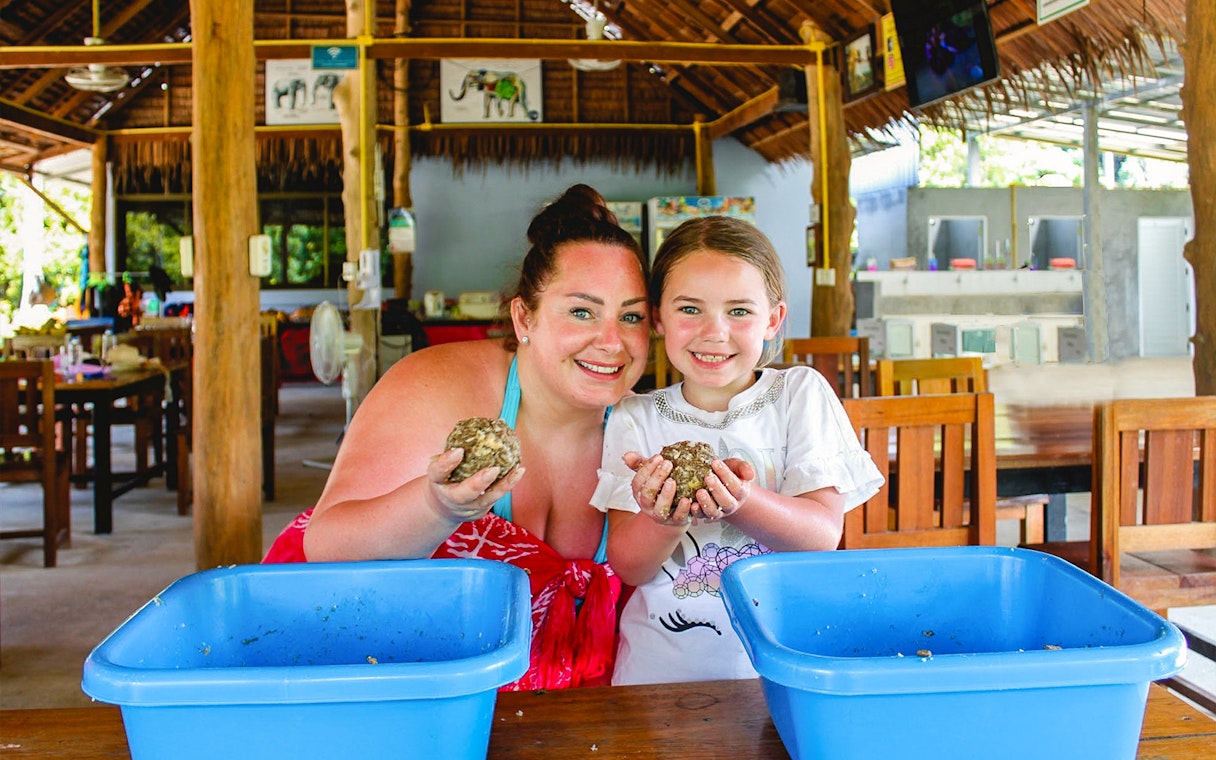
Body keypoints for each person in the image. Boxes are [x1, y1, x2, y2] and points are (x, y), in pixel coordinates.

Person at [264, 184, 652, 691]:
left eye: (631, 316)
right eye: (581, 311)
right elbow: (327, 545)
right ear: (523, 317)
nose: (611, 341)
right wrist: (437, 505)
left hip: (581, 705)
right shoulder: (438, 385)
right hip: (410, 676)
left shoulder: (652, 425)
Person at [590, 215, 883, 686]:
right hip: (658, 672)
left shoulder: (799, 395)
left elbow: (821, 535)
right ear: (659, 319)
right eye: (690, 310)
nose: (714, 332)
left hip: (782, 667)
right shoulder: (634, 416)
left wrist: (741, 502)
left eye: (739, 311)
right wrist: (664, 517)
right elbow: (629, 566)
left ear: (773, 319)